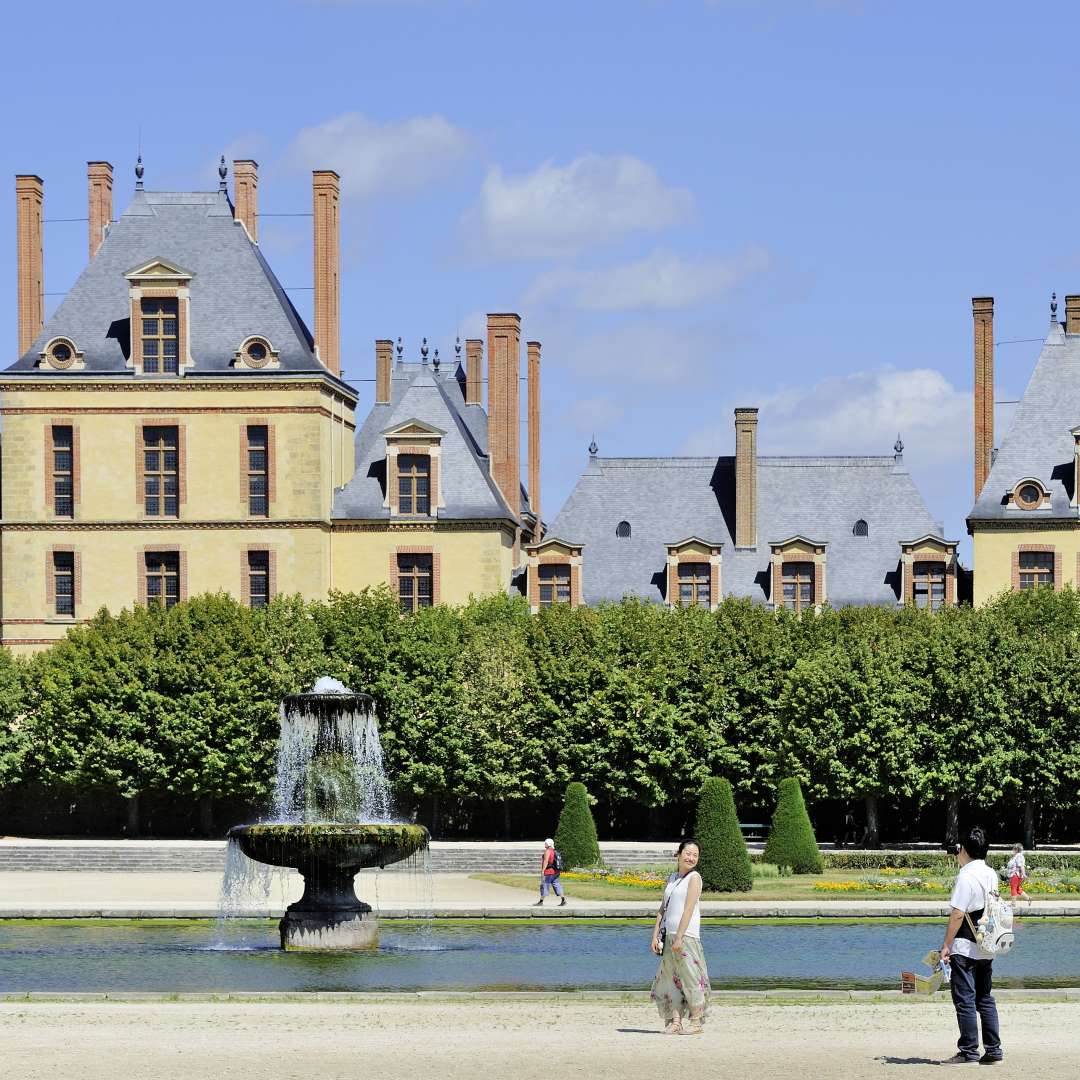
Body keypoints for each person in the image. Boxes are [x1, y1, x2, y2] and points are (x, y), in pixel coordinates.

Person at [940, 826, 1003, 1065]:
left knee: (964, 998)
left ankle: (968, 1051)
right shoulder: (990, 873)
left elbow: (958, 914)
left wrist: (946, 945)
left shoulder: (966, 875)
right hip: (986, 944)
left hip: (965, 945)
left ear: (964, 850)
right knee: (985, 998)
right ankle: (994, 1050)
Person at [650, 838, 711, 1035]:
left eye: (695, 855)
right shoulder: (672, 877)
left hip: (687, 936)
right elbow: (662, 909)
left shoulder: (695, 878)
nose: (691, 858)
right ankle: (675, 1022)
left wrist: (680, 938)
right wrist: (655, 935)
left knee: (692, 978)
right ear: (679, 854)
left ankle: (695, 1021)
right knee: (670, 979)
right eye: (688, 853)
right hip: (669, 935)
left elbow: (688, 909)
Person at [533, 838, 566, 907]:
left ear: (548, 844)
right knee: (556, 884)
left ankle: (541, 901)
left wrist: (543, 871)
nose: (544, 844)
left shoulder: (547, 851)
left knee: (544, 885)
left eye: (545, 843)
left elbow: (546, 861)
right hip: (556, 872)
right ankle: (563, 900)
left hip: (549, 872)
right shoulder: (554, 851)